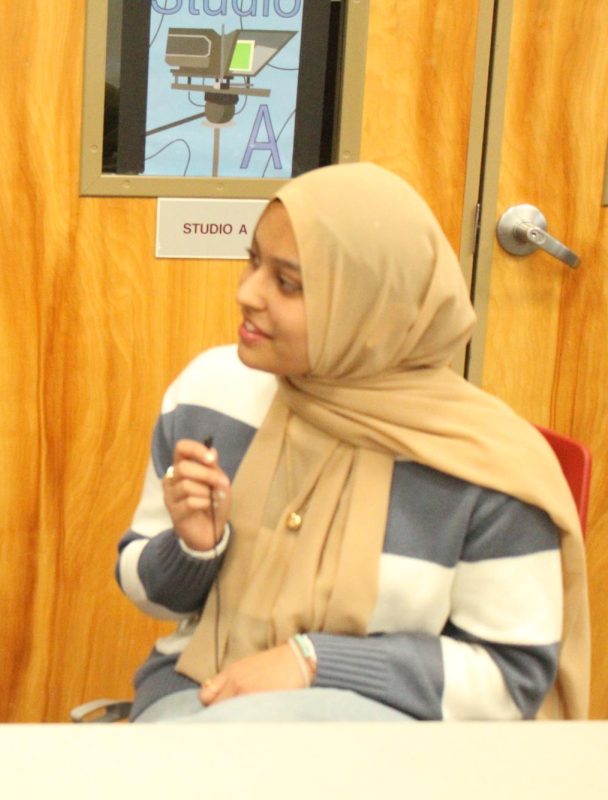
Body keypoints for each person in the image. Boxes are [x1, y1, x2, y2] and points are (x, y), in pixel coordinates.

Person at [116, 162, 589, 722]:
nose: (247, 293)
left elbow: (510, 680)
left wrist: (314, 662)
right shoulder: (211, 392)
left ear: (369, 305)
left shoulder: (489, 465)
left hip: (393, 731)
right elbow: (144, 587)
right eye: (253, 262)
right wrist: (194, 549)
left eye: (287, 283)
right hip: (196, 693)